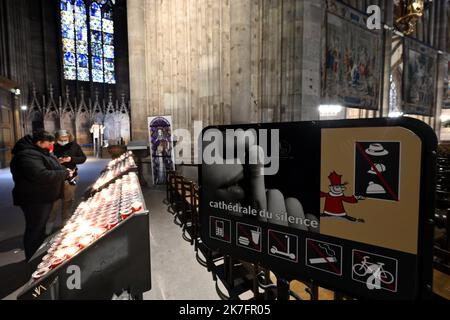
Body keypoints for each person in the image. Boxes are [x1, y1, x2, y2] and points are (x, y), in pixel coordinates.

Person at [10, 130, 73, 261]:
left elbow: (49, 165)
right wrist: (64, 174)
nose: (52, 145)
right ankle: (32, 258)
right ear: (39, 142)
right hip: (34, 198)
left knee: (40, 227)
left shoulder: (38, 152)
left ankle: (38, 255)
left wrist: (61, 166)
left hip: (42, 196)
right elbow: (40, 175)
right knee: (35, 228)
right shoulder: (27, 155)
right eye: (49, 142)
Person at [46, 130, 87, 234]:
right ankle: (49, 224)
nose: (63, 142)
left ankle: (65, 221)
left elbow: (82, 158)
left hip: (71, 177)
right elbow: (45, 161)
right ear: (56, 139)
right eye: (61, 140)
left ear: (69, 138)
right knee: (54, 203)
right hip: (56, 178)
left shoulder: (74, 146)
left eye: (65, 139)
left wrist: (71, 159)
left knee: (68, 200)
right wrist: (57, 161)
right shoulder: (52, 146)